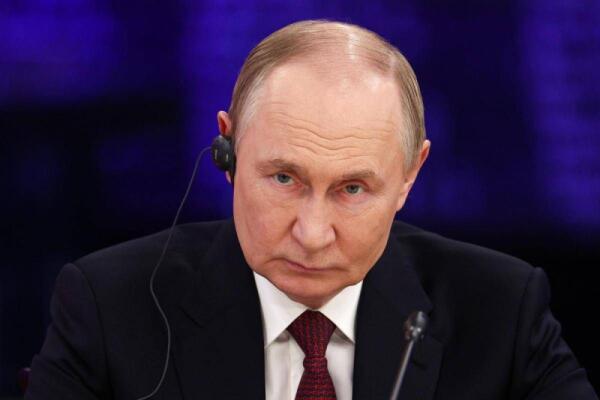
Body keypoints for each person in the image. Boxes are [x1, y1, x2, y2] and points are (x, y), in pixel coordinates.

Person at [26, 20, 597, 400]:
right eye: (284, 178)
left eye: (353, 189)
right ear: (228, 150)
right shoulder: (108, 307)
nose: (313, 233)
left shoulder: (501, 310)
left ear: (410, 175)